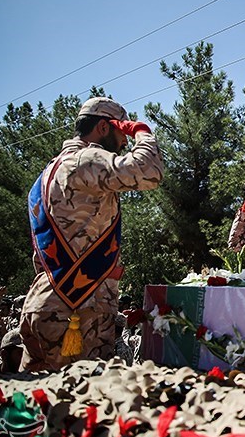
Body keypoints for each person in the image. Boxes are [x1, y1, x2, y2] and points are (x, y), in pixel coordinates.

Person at [19, 97, 164, 373]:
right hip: (79, 312)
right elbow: (149, 172)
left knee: (33, 407)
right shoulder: (86, 159)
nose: (124, 143)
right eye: (122, 134)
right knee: (80, 406)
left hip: (45, 301)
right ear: (103, 128)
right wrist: (142, 132)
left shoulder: (49, 171)